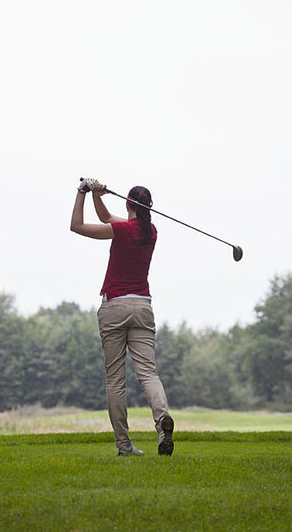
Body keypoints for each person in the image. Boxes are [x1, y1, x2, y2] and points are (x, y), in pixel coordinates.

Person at [70, 177, 174, 456]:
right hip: (142, 307)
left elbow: (76, 226)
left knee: (116, 379)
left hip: (115, 306)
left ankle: (124, 445)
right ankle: (162, 421)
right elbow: (106, 216)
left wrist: (82, 191)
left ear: (128, 203)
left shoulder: (122, 231)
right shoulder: (150, 231)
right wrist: (97, 195)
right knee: (148, 373)